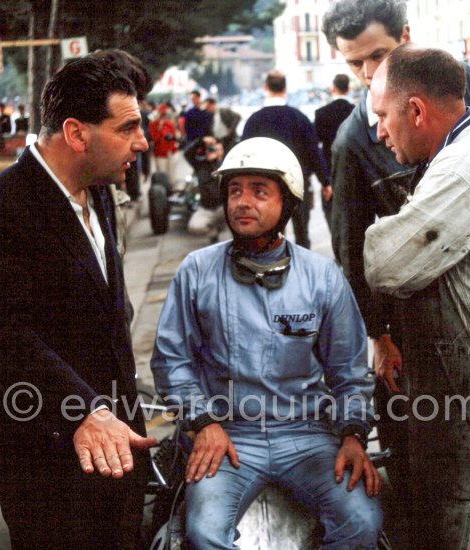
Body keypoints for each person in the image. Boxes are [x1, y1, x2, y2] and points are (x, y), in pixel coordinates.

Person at [151, 137, 382, 549]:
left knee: (362, 522)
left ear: (287, 204)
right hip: (227, 436)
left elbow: (349, 370)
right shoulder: (197, 271)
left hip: (308, 436)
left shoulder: (322, 277)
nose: (243, 202)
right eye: (235, 191)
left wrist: (352, 435)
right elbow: (172, 360)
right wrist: (202, 423)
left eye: (260, 191)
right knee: (202, 532)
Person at [0, 56, 157, 549]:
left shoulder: (99, 196)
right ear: (76, 134)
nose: (142, 141)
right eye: (129, 127)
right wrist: (83, 412)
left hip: (115, 453)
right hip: (44, 464)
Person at [321, 5, 470, 542]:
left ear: (406, 38)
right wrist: (377, 335)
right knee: (418, 453)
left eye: (378, 55)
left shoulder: (462, 89)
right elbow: (349, 247)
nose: (370, 73)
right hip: (406, 329)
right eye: (356, 63)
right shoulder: (352, 142)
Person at [366, 44, 470, 550]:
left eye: (384, 116)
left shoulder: (464, 170)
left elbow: (384, 264)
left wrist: (381, 225)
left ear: (415, 110)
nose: (379, 132)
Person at [242, 70, 330, 249]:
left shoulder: (254, 120)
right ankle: (302, 272)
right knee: (302, 234)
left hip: (264, 185)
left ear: (265, 87)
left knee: (271, 234)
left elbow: (244, 155)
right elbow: (314, 152)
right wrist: (325, 181)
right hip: (298, 182)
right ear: (285, 89)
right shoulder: (299, 118)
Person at [314, 73, 355, 229]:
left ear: (333, 88)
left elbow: (316, 145)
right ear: (348, 88)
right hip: (352, 170)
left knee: (332, 215)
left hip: (331, 171)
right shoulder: (356, 112)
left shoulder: (321, 113)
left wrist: (324, 179)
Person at [184, 134, 225, 242]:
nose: (211, 150)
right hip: (207, 208)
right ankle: (214, 233)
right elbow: (187, 154)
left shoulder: (226, 164)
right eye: (209, 148)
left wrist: (216, 161)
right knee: (194, 226)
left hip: (224, 207)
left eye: (215, 148)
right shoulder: (201, 166)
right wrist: (201, 141)